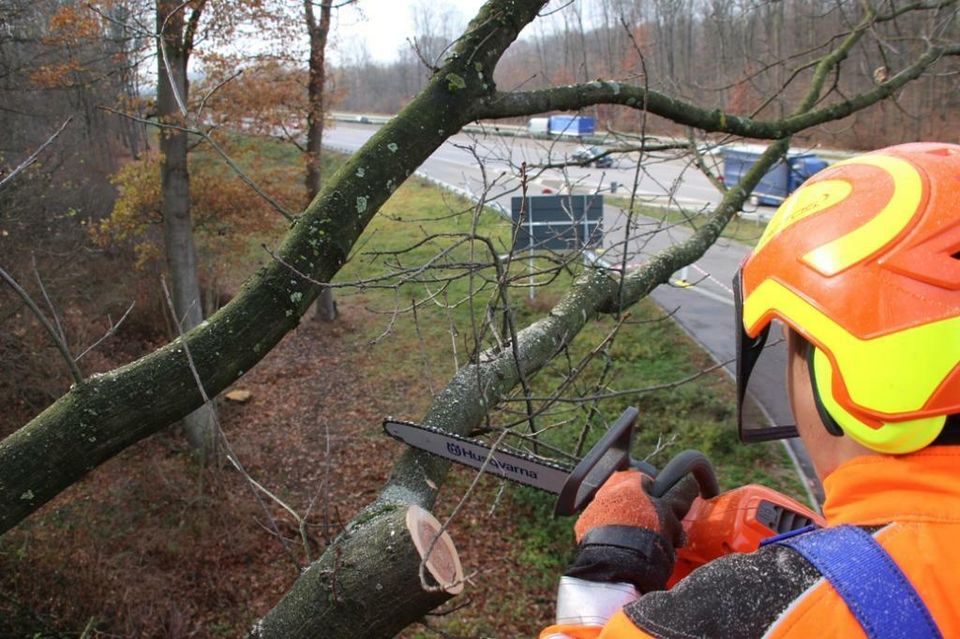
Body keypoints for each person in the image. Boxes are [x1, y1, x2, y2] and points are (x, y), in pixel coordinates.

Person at [541, 142, 960, 638]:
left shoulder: (746, 610)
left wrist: (607, 564)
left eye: (797, 346)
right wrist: (808, 549)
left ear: (843, 371)